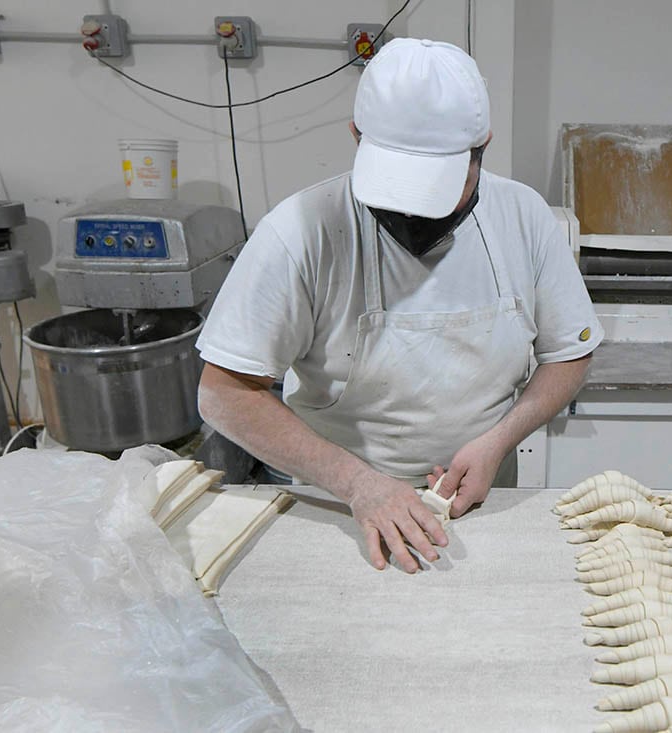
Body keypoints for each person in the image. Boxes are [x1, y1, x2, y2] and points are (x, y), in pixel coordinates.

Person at [196, 38, 602, 573]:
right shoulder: (299, 232)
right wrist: (358, 483)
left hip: (483, 500)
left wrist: (500, 441)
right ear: (356, 137)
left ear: (481, 146)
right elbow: (224, 394)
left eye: (437, 188)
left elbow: (567, 354)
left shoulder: (523, 217)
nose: (414, 214)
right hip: (339, 507)